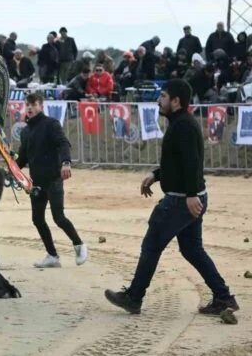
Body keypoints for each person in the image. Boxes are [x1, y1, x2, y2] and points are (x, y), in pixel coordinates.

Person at [105, 79, 239, 315]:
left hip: (181, 200)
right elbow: (177, 162)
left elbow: (192, 163)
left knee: (151, 245)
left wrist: (190, 195)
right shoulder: (179, 123)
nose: (159, 100)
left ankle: (134, 297)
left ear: (176, 101)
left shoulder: (183, 126)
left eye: (164, 96)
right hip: (189, 196)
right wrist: (156, 175)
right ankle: (223, 297)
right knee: (192, 250)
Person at [16, 92, 88, 268]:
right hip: (37, 182)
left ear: (41, 105)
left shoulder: (51, 124)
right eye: (28, 104)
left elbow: (63, 143)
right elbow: (22, 158)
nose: (30, 107)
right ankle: (52, 256)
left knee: (59, 217)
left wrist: (66, 162)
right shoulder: (26, 131)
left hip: (54, 178)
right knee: (37, 219)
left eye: (33, 104)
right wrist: (11, 169)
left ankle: (79, 245)